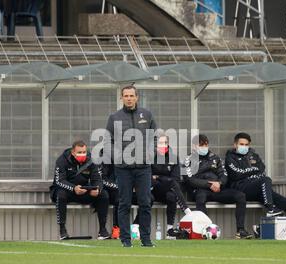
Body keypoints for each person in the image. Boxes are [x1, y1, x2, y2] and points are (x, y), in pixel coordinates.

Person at [104, 85, 157, 247]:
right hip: (122, 169)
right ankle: (125, 240)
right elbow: (108, 141)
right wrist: (117, 156)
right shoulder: (114, 117)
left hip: (143, 168)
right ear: (122, 98)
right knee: (124, 204)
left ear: (137, 97)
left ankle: (146, 239)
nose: (129, 98)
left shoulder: (147, 115)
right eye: (125, 95)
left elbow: (154, 137)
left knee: (145, 204)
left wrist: (151, 152)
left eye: (131, 95)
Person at [183, 134, 252, 239]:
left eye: (206, 145)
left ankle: (240, 230)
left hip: (217, 189)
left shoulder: (215, 158)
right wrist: (209, 184)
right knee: (200, 197)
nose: (204, 148)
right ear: (194, 146)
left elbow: (224, 174)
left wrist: (219, 183)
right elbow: (190, 180)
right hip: (200, 190)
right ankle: (204, 230)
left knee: (240, 196)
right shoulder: (188, 159)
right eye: (201, 145)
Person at [50, 140, 110, 240]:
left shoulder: (92, 159)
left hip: (84, 190)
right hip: (68, 191)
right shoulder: (62, 160)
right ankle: (62, 231)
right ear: (73, 152)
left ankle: (103, 231)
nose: (82, 154)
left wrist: (97, 189)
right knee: (60, 194)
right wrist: (73, 188)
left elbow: (98, 179)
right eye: (79, 152)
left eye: (84, 152)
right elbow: (59, 181)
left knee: (103, 194)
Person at [225, 132, 286, 217]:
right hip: (241, 188)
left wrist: (248, 172)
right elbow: (236, 174)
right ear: (235, 145)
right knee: (266, 179)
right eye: (241, 144)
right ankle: (270, 208)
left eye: (246, 144)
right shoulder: (230, 157)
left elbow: (262, 169)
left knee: (284, 203)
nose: (244, 146)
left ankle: (262, 228)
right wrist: (253, 170)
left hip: (257, 188)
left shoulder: (254, 156)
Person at [152, 134, 191, 239]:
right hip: (153, 190)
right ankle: (186, 210)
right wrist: (162, 179)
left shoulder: (173, 158)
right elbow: (148, 178)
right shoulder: (150, 157)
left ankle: (169, 229)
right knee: (170, 183)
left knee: (171, 195)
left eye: (165, 143)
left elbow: (176, 179)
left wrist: (158, 177)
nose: (163, 145)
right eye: (160, 143)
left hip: (167, 190)